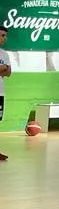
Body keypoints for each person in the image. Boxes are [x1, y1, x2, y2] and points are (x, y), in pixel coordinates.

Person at [0, 25, 10, 162]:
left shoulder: (4, 54)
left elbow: (9, 72)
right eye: (2, 35)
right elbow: (4, 69)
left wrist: (3, 68)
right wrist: (2, 68)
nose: (5, 38)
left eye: (5, 36)